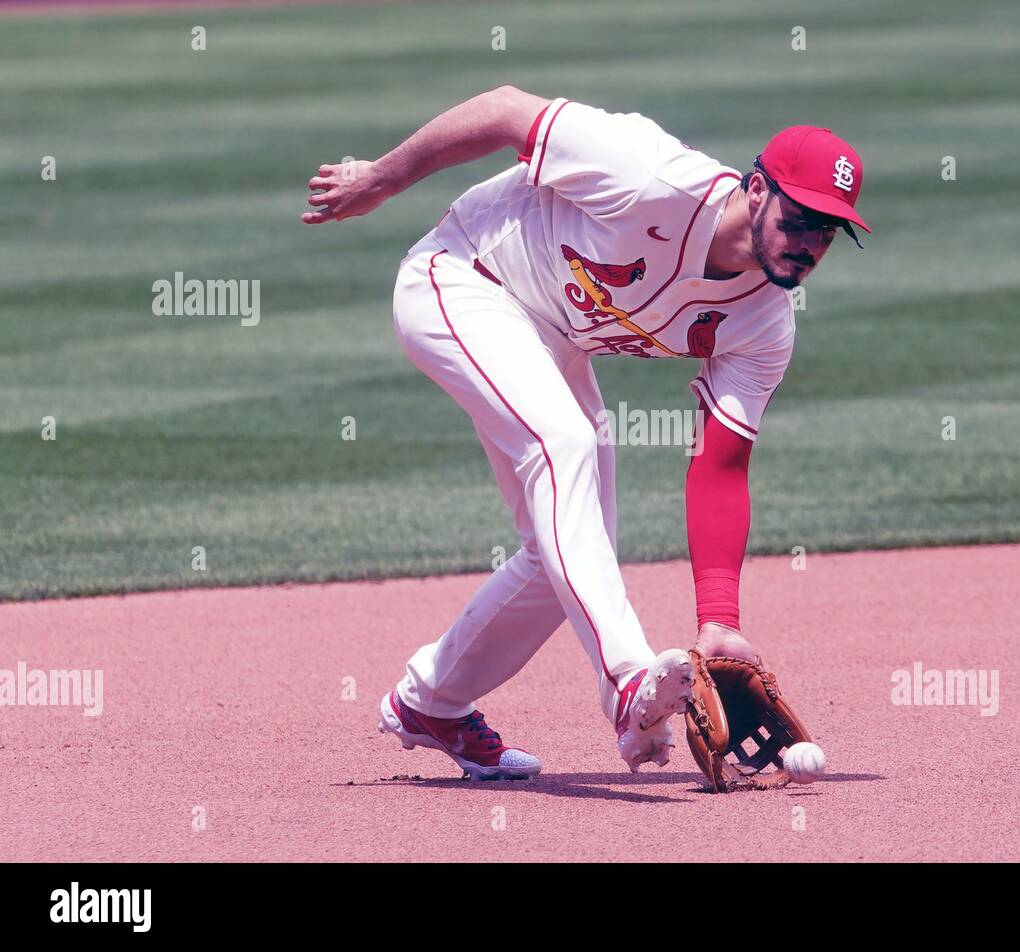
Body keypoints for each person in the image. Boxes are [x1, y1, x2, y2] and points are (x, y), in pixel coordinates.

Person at [303, 86, 868, 779]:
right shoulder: (648, 176)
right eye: (801, 218)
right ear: (757, 190)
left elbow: (720, 467)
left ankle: (431, 702)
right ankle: (630, 683)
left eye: (827, 231)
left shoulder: (764, 326)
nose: (810, 243)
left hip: (548, 336)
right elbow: (507, 109)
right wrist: (381, 178)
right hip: (461, 277)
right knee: (563, 445)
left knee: (564, 549)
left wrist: (718, 620)